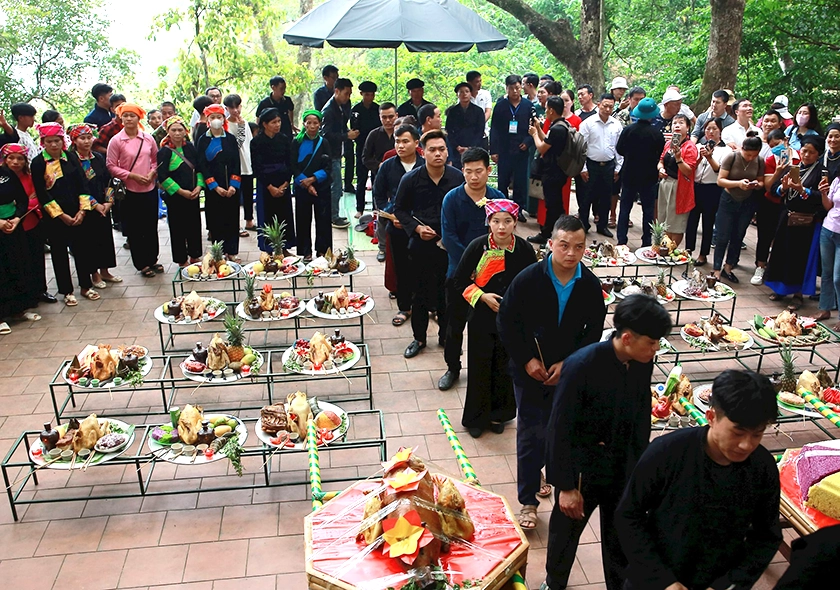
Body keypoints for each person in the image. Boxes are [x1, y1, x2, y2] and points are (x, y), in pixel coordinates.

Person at [543, 294, 672, 590]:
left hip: (622, 465)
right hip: (582, 470)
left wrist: (640, 469)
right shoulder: (581, 366)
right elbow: (559, 429)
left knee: (621, 536)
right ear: (627, 338)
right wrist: (565, 487)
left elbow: (641, 415)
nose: (655, 350)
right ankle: (554, 582)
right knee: (566, 532)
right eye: (651, 343)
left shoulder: (640, 363)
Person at [616, 370, 781, 590]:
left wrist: (728, 583)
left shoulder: (763, 467)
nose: (746, 445)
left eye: (757, 434)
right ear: (711, 417)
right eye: (738, 432)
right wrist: (663, 580)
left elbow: (766, 537)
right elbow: (628, 516)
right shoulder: (666, 453)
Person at [497, 215, 607, 532]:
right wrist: (527, 360)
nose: (571, 253)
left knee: (562, 431)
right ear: (551, 244)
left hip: (568, 373)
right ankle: (528, 502)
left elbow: (594, 331)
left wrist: (570, 364)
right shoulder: (529, 278)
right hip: (529, 370)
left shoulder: (589, 284)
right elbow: (507, 322)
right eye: (564, 245)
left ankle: (557, 482)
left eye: (578, 247)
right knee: (531, 432)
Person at [454, 199, 536, 435]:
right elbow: (459, 281)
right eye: (496, 221)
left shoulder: (524, 249)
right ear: (488, 222)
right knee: (480, 365)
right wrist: (482, 297)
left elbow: (532, 284)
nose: (501, 227)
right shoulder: (477, 246)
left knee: (505, 366)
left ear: (515, 224)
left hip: (511, 319)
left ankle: (499, 415)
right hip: (481, 316)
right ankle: (476, 419)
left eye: (507, 221)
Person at [394, 129, 464, 359]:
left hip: (449, 245)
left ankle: (445, 336)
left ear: (447, 151)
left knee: (447, 292)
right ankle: (419, 338)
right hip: (420, 244)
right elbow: (400, 210)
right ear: (423, 153)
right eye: (432, 150)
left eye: (442, 149)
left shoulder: (457, 178)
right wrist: (416, 228)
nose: (437, 154)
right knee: (420, 293)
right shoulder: (411, 179)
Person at [439, 147, 503, 391]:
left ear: (488, 170)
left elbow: (503, 232)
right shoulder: (452, 199)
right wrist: (472, 267)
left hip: (492, 274)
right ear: (461, 171)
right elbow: (449, 237)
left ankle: (485, 371)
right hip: (459, 275)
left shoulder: (498, 198)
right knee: (454, 325)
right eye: (468, 172)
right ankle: (452, 368)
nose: (474, 177)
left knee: (488, 328)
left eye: (479, 171)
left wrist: (487, 266)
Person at [32, 123, 97, 305]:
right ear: (43, 142)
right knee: (59, 253)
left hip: (77, 211)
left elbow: (83, 184)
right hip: (54, 217)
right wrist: (61, 216)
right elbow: (42, 194)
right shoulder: (38, 163)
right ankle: (66, 291)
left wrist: (82, 211)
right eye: (49, 141)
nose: (53, 145)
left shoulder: (70, 157)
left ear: (63, 141)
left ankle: (86, 286)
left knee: (82, 250)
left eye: (57, 141)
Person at [765, 135, 825, 308]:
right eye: (804, 150)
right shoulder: (794, 167)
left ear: (817, 154)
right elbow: (776, 190)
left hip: (805, 221)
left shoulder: (821, 172)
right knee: (781, 253)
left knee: (799, 257)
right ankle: (780, 289)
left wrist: (802, 189)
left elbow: (821, 197)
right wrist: (783, 187)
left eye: (811, 152)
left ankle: (798, 294)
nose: (806, 155)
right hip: (786, 216)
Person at [374, 124, 423, 326]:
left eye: (405, 141)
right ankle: (405, 307)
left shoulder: (425, 164)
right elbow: (378, 195)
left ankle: (429, 306)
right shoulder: (387, 166)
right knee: (401, 266)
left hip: (421, 225)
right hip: (396, 223)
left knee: (424, 266)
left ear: (416, 143)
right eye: (397, 141)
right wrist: (391, 214)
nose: (400, 146)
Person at [106, 103, 161, 277]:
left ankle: (153, 259)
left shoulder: (147, 138)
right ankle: (141, 263)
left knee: (151, 225)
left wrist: (152, 172)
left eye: (133, 115)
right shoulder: (116, 140)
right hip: (130, 190)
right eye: (126, 115)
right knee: (136, 228)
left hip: (149, 188)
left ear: (139, 118)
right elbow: (111, 165)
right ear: (121, 118)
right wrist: (132, 176)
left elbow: (155, 159)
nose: (129, 119)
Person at [68, 124, 120, 289]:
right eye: (82, 138)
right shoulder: (71, 160)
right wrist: (95, 205)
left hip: (103, 204)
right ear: (74, 140)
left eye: (88, 138)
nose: (86, 141)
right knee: (88, 241)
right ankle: (94, 274)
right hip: (84, 207)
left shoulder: (97, 157)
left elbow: (108, 180)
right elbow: (77, 187)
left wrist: (108, 201)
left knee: (104, 238)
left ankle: (105, 270)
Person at [712, 134, 766, 284]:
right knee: (723, 235)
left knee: (738, 235)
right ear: (742, 149)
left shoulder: (760, 161)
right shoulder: (732, 157)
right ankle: (716, 269)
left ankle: (728, 267)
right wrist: (738, 184)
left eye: (753, 155)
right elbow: (720, 181)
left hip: (748, 201)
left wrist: (756, 184)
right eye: (748, 154)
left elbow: (762, 182)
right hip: (729, 199)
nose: (750, 158)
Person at [0, 144, 42, 333]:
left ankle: (18, 310)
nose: (15, 162)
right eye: (11, 158)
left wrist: (17, 218)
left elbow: (22, 199)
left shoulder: (9, 175)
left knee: (18, 264)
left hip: (14, 225)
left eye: (18, 158)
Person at [616, 98, 666, 246]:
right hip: (649, 176)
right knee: (648, 211)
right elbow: (660, 153)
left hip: (629, 173)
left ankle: (621, 240)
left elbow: (619, 149)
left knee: (625, 208)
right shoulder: (656, 134)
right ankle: (646, 241)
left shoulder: (628, 130)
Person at [752, 128, 798, 285]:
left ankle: (777, 272)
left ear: (785, 140)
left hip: (790, 205)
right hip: (770, 203)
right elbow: (767, 186)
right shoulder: (771, 160)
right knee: (764, 236)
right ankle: (760, 266)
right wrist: (778, 172)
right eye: (772, 147)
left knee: (782, 239)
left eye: (778, 144)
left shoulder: (799, 158)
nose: (776, 149)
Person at [196, 103, 241, 261]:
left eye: (219, 117)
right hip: (213, 188)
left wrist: (233, 186)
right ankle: (218, 253)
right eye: (212, 117)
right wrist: (214, 186)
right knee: (216, 220)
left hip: (231, 187)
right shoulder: (202, 140)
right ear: (208, 120)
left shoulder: (230, 139)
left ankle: (232, 252)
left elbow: (236, 163)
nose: (216, 120)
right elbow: (201, 164)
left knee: (232, 219)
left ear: (224, 119)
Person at [157, 115, 204, 267]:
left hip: (193, 194)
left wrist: (198, 186)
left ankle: (195, 255)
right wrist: (181, 191)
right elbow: (162, 177)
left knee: (194, 225)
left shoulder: (190, 147)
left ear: (185, 131)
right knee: (177, 228)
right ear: (168, 132)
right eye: (174, 130)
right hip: (176, 197)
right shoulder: (164, 152)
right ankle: (181, 259)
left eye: (180, 130)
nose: (177, 133)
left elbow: (199, 168)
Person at [579, 93, 624, 237]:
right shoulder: (588, 123)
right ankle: (583, 224)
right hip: (591, 165)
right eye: (605, 106)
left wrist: (618, 167)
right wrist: (583, 167)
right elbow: (581, 147)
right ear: (599, 104)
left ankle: (602, 225)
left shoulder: (616, 124)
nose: (607, 109)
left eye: (611, 106)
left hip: (609, 165)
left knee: (606, 197)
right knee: (587, 197)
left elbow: (619, 148)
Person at [251, 108, 295, 254]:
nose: (277, 125)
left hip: (283, 182)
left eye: (279, 121)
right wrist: (270, 186)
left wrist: (285, 184)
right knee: (267, 216)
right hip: (266, 184)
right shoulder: (256, 142)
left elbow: (290, 163)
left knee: (284, 216)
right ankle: (269, 249)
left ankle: (284, 247)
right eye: (273, 122)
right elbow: (256, 167)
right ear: (264, 124)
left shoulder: (284, 139)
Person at [685, 117, 729, 266]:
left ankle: (703, 254)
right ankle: (688, 250)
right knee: (691, 220)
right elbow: (692, 167)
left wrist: (709, 157)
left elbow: (719, 170)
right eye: (708, 128)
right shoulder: (697, 146)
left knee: (708, 222)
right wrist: (700, 157)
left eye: (714, 129)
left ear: (720, 131)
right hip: (696, 187)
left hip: (712, 189)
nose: (710, 132)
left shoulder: (726, 150)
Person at [527, 96, 570, 245]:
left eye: (546, 109)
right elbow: (547, 140)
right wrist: (538, 128)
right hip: (558, 171)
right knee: (555, 204)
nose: (545, 111)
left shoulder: (557, 129)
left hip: (553, 172)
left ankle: (551, 234)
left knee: (553, 205)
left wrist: (533, 134)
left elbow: (542, 147)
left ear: (551, 110)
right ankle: (552, 232)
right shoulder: (561, 125)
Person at [490, 74, 533, 217]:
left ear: (521, 87)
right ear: (506, 88)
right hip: (504, 149)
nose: (514, 91)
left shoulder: (528, 106)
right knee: (503, 179)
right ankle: (502, 207)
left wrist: (527, 142)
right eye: (511, 88)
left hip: (521, 149)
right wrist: (494, 150)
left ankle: (518, 209)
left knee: (520, 181)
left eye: (517, 88)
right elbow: (494, 129)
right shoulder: (501, 105)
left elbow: (533, 128)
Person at [292, 110, 332, 261]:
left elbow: (329, 167)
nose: (312, 126)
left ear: (320, 124)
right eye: (309, 122)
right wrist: (306, 183)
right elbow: (293, 165)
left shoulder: (324, 142)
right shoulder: (297, 142)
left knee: (323, 219)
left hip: (321, 187)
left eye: (315, 123)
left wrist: (313, 179)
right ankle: (305, 251)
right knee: (303, 219)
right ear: (304, 124)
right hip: (302, 186)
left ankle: (323, 250)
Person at [656, 113, 698, 247]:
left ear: (688, 127)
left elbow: (689, 171)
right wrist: (660, 169)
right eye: (675, 123)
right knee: (664, 218)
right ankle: (663, 248)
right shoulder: (669, 143)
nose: (677, 126)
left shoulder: (690, 147)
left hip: (679, 186)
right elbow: (661, 160)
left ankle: (671, 250)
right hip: (665, 184)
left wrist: (679, 157)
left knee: (676, 222)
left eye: (681, 123)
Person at [321, 77, 357, 229]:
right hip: (331, 153)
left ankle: (333, 214)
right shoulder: (329, 110)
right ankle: (333, 216)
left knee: (337, 185)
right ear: (337, 91)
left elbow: (341, 125)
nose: (348, 97)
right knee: (336, 186)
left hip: (339, 150)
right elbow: (326, 134)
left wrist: (347, 131)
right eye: (346, 93)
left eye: (349, 94)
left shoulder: (342, 106)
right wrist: (346, 136)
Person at [363, 102, 398, 262]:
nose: (388, 120)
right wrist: (379, 165)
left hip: (400, 179)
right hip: (380, 179)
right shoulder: (374, 135)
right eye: (384, 117)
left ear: (396, 116)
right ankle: (383, 248)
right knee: (382, 214)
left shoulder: (403, 135)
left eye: (391, 117)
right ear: (380, 118)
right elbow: (365, 158)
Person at [222, 94, 255, 236]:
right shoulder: (225, 125)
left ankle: (249, 221)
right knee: (235, 197)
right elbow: (236, 144)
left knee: (248, 194)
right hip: (235, 166)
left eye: (237, 106)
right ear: (227, 109)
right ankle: (235, 225)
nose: (235, 110)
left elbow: (249, 143)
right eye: (232, 107)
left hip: (247, 164)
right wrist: (240, 127)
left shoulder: (245, 122)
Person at [350, 81, 380, 218]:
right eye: (367, 94)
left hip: (376, 150)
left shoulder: (377, 109)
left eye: (372, 94)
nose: (370, 97)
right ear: (362, 94)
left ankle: (376, 207)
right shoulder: (356, 110)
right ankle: (360, 208)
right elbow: (354, 130)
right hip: (362, 148)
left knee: (377, 180)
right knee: (361, 179)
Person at [445, 82, 486, 170]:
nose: (464, 94)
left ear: (470, 93)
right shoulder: (452, 111)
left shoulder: (478, 111)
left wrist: (470, 147)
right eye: (461, 92)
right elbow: (448, 130)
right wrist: (457, 147)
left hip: (474, 147)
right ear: (457, 95)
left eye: (467, 91)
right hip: (457, 149)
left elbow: (480, 131)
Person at [818, 165, 840, 329]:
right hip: (828, 229)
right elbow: (829, 206)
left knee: (838, 278)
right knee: (826, 272)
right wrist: (823, 193)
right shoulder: (837, 181)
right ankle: (825, 309)